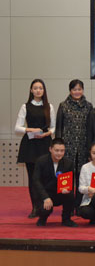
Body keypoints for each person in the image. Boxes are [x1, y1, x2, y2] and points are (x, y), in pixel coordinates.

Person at [15, 79, 55, 218]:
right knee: (33, 178)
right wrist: (30, 129)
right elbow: (17, 128)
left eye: (40, 88)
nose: (38, 90)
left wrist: (47, 133)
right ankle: (35, 207)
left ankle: (45, 205)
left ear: (44, 90)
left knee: (45, 177)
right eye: (35, 88)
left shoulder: (49, 106)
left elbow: (53, 127)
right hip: (30, 145)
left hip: (45, 143)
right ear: (31, 90)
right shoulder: (25, 106)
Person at [55, 79, 93, 206]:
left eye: (79, 89)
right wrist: (58, 148)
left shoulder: (89, 106)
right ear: (70, 91)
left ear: (83, 90)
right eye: (74, 89)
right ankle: (69, 205)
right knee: (68, 176)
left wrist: (90, 148)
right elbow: (59, 128)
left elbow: (90, 128)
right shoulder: (63, 105)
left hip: (83, 146)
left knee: (81, 176)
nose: (77, 92)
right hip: (67, 147)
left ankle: (79, 204)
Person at [32, 138, 77, 227]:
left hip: (59, 193)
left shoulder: (68, 163)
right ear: (50, 149)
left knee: (70, 194)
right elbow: (36, 181)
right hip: (45, 193)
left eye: (62, 151)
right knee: (45, 209)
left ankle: (66, 219)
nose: (59, 153)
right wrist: (45, 197)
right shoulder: (41, 161)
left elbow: (70, 182)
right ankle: (42, 219)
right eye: (56, 150)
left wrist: (66, 189)